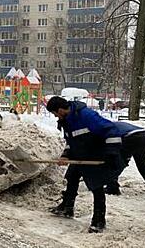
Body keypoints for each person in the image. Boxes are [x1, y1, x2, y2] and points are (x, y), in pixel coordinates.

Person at [46, 96, 125, 233]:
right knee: (71, 177)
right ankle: (67, 207)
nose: (55, 116)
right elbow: (71, 141)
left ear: (60, 110)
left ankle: (98, 221)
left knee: (96, 187)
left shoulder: (86, 115)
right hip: (80, 155)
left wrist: (111, 153)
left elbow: (111, 130)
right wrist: (65, 155)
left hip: (95, 155)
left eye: (54, 113)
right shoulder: (67, 120)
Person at [104, 121, 145, 197]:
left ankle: (112, 188)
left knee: (116, 162)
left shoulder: (105, 129)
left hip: (132, 137)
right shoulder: (113, 124)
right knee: (142, 164)